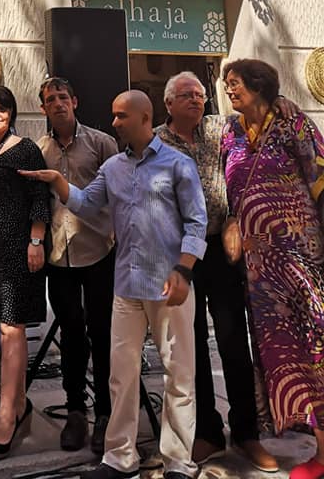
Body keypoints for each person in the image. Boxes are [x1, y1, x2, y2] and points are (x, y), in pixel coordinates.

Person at [22, 90, 207, 479]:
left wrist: (184, 270)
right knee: (121, 375)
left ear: (145, 117)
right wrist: (58, 181)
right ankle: (120, 457)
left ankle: (178, 462)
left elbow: (196, 222)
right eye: (114, 115)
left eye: (122, 116)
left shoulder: (179, 164)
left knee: (178, 375)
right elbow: (87, 204)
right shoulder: (113, 168)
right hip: (126, 286)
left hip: (168, 286)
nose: (114, 123)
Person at [155, 71, 277, 473]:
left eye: (200, 94)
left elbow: (247, 164)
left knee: (233, 340)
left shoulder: (221, 129)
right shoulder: (157, 141)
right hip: (181, 256)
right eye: (186, 95)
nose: (197, 100)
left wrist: (236, 220)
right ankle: (206, 432)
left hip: (223, 251)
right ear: (168, 103)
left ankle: (246, 432)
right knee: (190, 346)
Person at [221, 59, 324, 479]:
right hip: (259, 268)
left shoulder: (292, 122)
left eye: (235, 83)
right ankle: (313, 444)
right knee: (283, 352)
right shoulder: (230, 131)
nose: (229, 90)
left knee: (317, 345)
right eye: (226, 84)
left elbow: (320, 178)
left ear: (260, 85)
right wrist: (232, 220)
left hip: (302, 256)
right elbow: (229, 187)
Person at [0, 85, 51, 461]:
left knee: (11, 330)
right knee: (3, 329)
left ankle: (6, 417)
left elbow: (39, 197)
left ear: (12, 111)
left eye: (1, 108)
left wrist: (36, 241)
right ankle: (19, 404)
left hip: (20, 249)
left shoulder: (25, 149)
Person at [37, 76, 117, 454]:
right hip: (58, 256)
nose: (57, 103)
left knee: (102, 333)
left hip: (98, 250)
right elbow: (38, 202)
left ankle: (105, 412)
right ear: (43, 108)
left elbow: (119, 193)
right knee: (70, 334)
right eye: (50, 99)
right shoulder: (39, 150)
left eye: (62, 97)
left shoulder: (102, 144)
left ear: (75, 101)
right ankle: (74, 411)